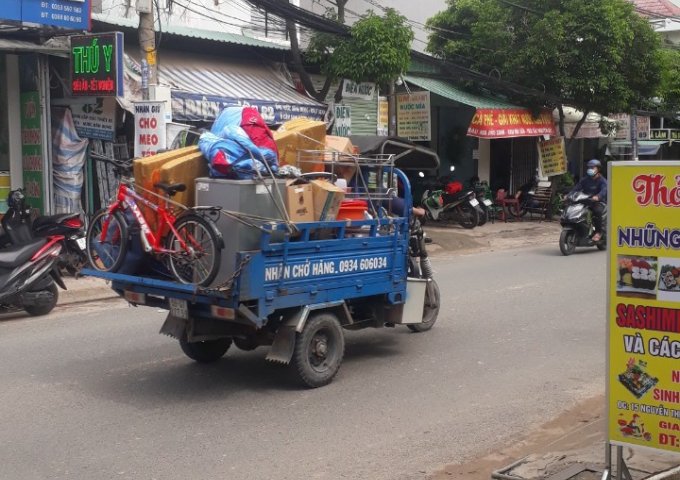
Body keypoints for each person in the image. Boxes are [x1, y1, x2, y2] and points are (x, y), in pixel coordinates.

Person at [569, 159, 607, 242]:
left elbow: (604, 190)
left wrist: (598, 196)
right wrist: (569, 195)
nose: (590, 169)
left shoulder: (602, 181)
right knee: (574, 208)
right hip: (586, 201)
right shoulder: (585, 180)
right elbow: (576, 188)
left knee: (597, 212)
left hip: (598, 202)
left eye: (593, 167)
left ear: (598, 169)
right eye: (589, 167)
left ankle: (598, 232)